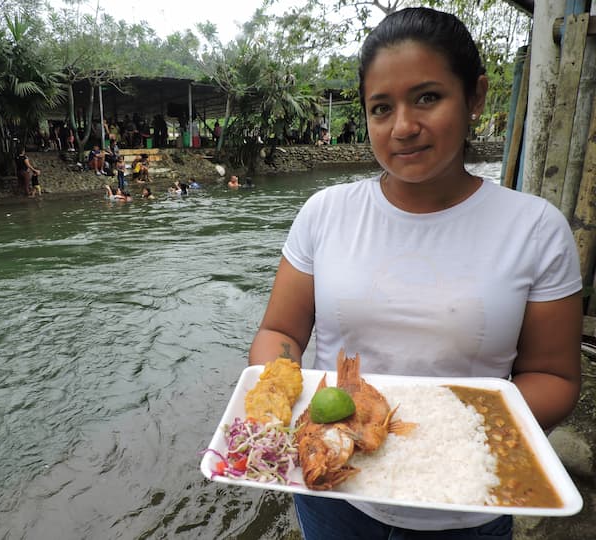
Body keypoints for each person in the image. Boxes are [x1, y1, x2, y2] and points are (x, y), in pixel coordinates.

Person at [247, 7, 582, 540]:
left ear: (474, 97)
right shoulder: (325, 213)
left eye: (428, 97)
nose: (403, 127)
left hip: (466, 499)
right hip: (335, 493)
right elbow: (281, 334)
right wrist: (278, 403)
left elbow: (556, 379)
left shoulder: (535, 229)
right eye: (382, 108)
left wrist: (449, 433)